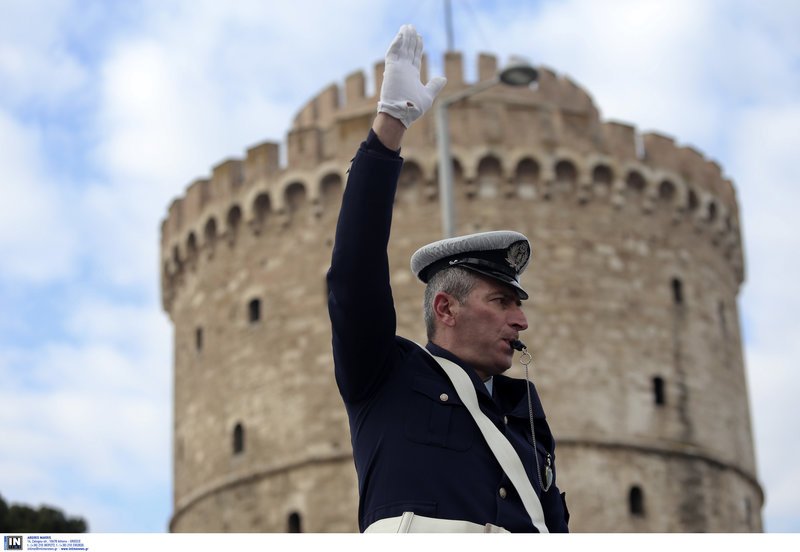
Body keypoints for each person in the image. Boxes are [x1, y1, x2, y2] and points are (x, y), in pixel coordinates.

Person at [327, 24, 569, 533]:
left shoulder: (525, 422)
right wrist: (389, 128)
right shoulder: (386, 379)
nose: (520, 320)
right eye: (501, 302)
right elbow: (354, 276)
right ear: (446, 309)